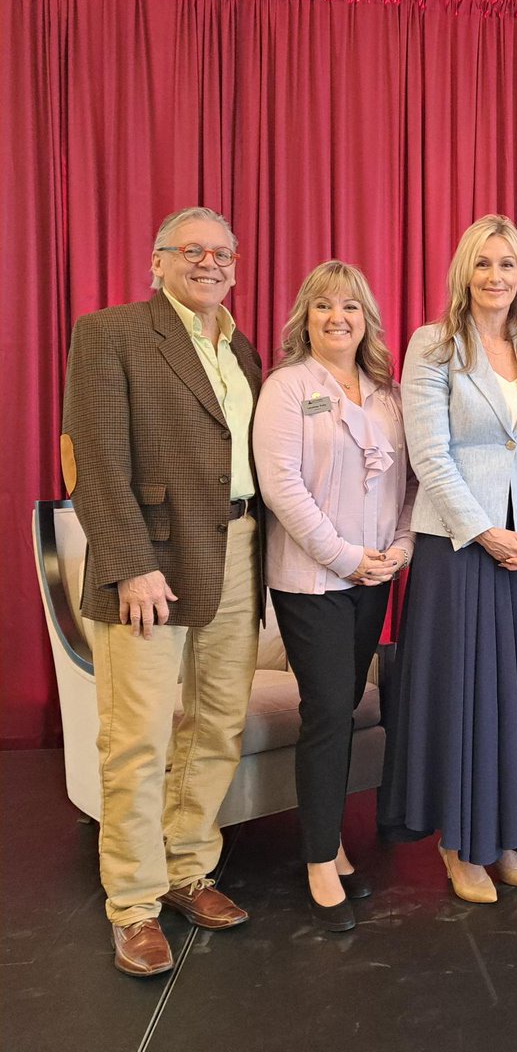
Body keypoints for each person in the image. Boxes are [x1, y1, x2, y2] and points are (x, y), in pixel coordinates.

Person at [61, 206, 261, 976]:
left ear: (235, 267)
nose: (208, 263)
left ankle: (187, 868)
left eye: (221, 253)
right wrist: (129, 563)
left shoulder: (240, 346)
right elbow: (96, 460)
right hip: (151, 565)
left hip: (238, 550)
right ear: (157, 261)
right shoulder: (110, 333)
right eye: (191, 251)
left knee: (218, 724)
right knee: (137, 738)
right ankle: (134, 904)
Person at [377, 215, 517, 903]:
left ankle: (511, 836)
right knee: (465, 693)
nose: (496, 276)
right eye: (484, 263)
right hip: (459, 545)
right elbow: (429, 454)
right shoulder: (433, 346)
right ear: (464, 271)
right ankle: (461, 845)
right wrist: (487, 532)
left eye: (508, 264)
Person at [253, 261, 414, 932]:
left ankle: (332, 840)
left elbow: (412, 483)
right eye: (324, 306)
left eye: (350, 306)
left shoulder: (389, 394)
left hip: (373, 577)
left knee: (344, 707)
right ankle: (319, 858)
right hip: (313, 580)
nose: (338, 317)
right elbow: (281, 487)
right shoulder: (287, 387)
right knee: (325, 710)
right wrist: (345, 557)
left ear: (366, 319)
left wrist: (400, 548)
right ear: (306, 318)